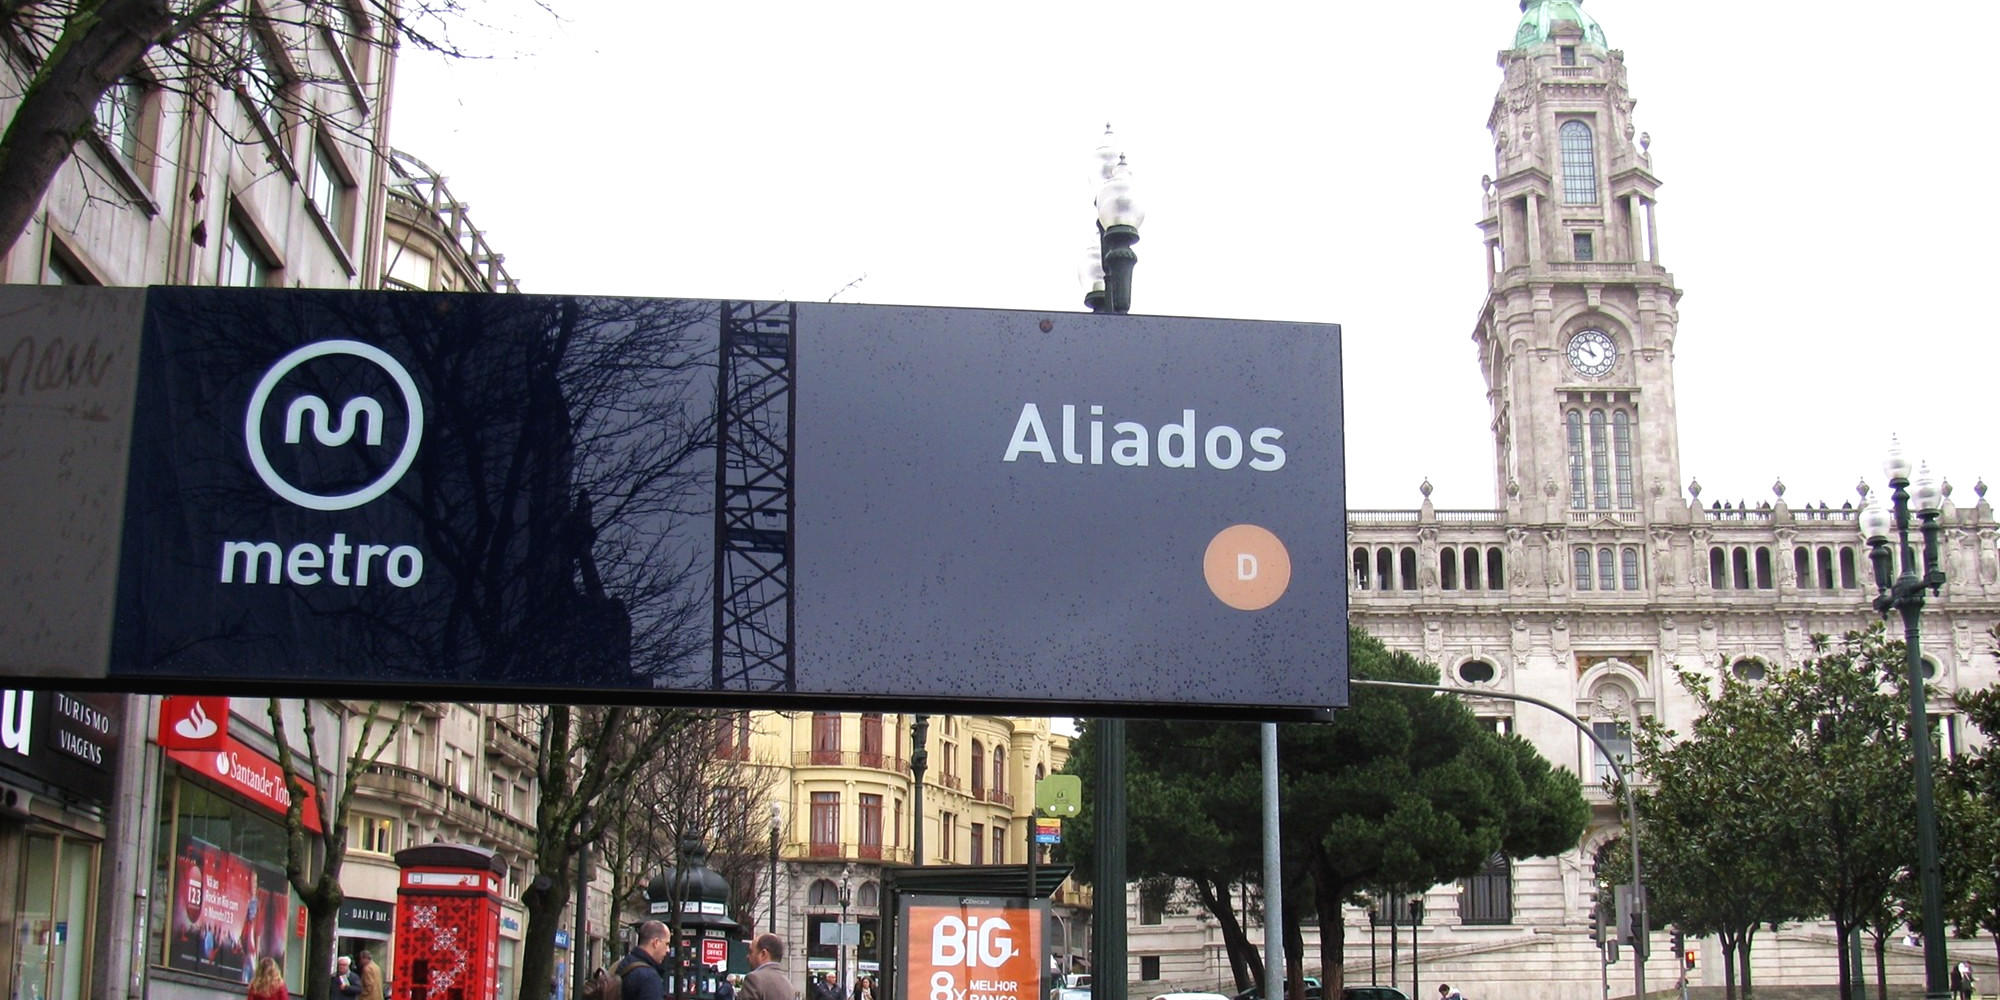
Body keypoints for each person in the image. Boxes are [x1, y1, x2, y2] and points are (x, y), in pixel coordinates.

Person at [740, 933, 796, 1000]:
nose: (748, 956)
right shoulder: (788, 985)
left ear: (763, 954)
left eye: (751, 952)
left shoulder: (754, 979)